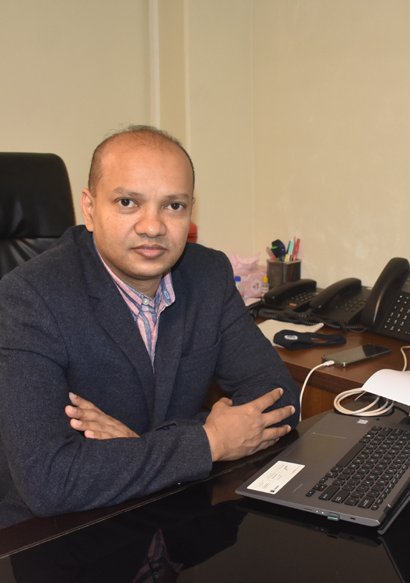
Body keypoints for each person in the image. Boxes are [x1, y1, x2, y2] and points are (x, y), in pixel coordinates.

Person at [0, 125, 299, 521]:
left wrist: (140, 444)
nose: (153, 226)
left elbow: (280, 398)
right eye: (128, 202)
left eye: (173, 206)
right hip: (59, 534)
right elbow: (49, 481)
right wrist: (208, 441)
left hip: (171, 515)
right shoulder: (29, 296)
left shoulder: (208, 274)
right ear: (89, 209)